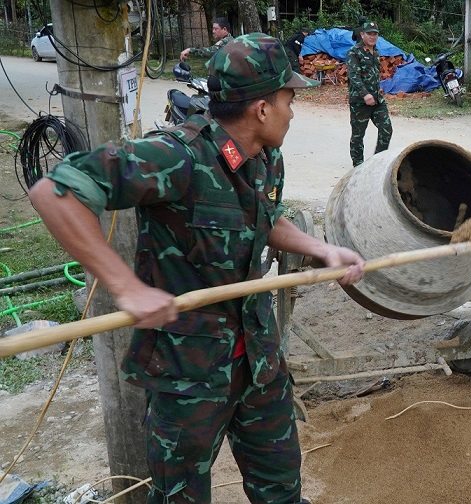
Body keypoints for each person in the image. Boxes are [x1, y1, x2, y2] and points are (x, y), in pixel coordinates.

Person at [29, 33, 364, 503]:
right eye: (289, 98)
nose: (294, 110)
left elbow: (264, 221)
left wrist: (320, 248)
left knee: (282, 489)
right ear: (262, 109)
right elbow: (54, 192)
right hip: (189, 375)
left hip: (258, 361)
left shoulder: (265, 158)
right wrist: (125, 287)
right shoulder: (177, 157)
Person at [346, 20, 392, 167]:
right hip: (360, 101)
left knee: (386, 130)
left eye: (375, 34)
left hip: (377, 100)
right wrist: (365, 94)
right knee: (358, 136)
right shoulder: (354, 53)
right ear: (362, 34)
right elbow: (354, 76)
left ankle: (376, 163)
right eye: (369, 34)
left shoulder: (376, 52)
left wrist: (377, 91)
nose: (373, 37)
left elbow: (374, 75)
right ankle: (358, 166)